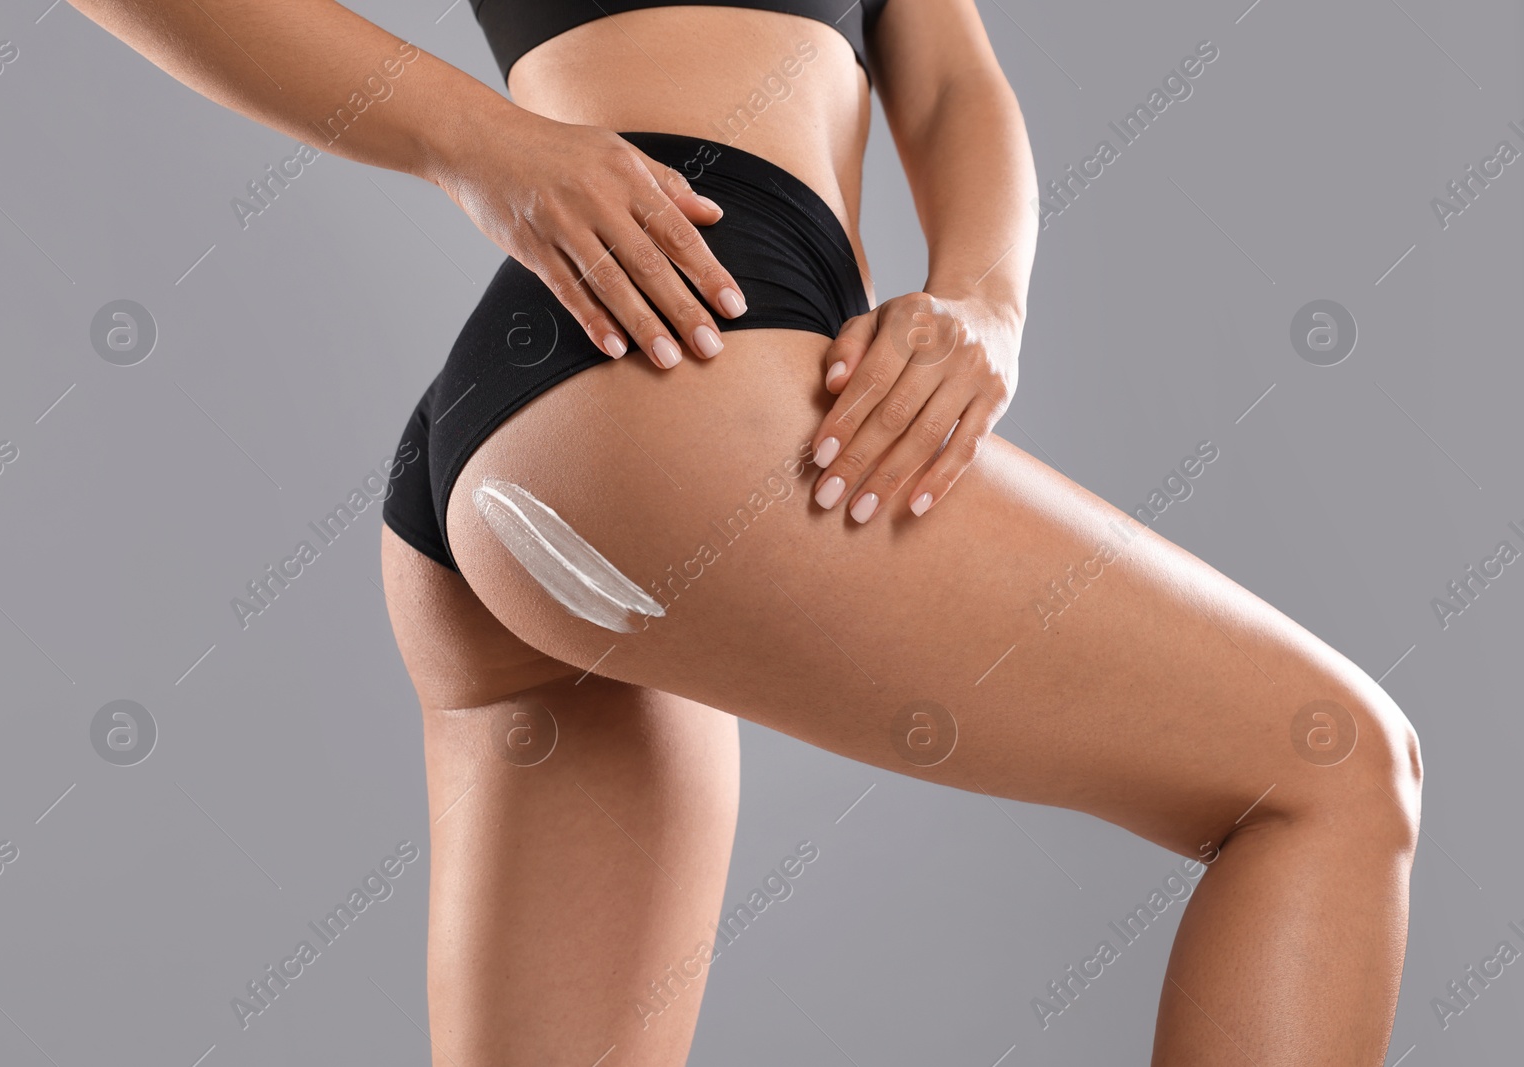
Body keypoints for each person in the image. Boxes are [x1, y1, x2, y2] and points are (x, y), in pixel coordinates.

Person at [71, 1, 1422, 1063]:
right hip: (677, 367)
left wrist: (983, 304)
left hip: (566, 420)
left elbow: (951, 81)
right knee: (1338, 771)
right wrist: (474, 144)